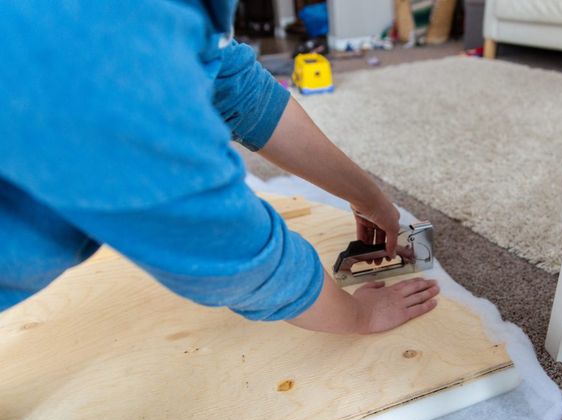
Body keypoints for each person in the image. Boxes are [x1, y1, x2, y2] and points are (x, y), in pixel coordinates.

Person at [0, 1, 440, 334]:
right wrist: (355, 315)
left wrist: (367, 196)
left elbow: (234, 86)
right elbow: (211, 233)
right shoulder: (88, 49)